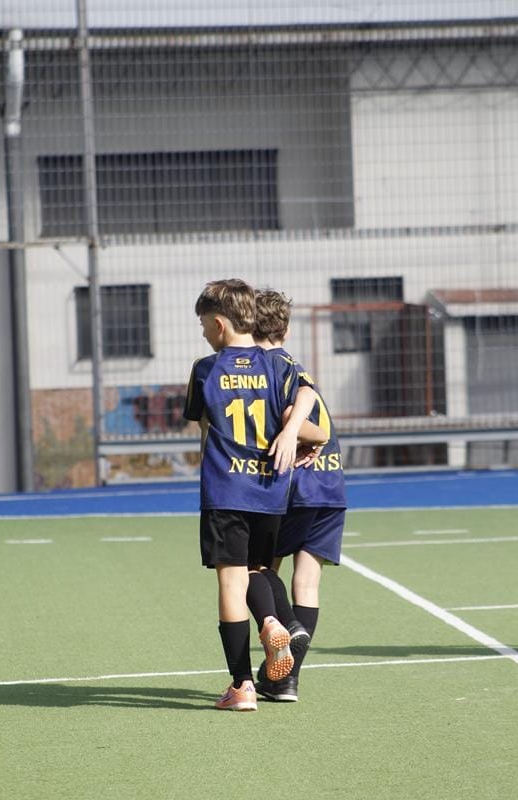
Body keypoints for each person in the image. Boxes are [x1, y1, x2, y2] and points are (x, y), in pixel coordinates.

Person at [183, 279, 327, 711]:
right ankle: (273, 620)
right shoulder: (279, 366)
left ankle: (242, 685)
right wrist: (297, 433)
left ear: (220, 324)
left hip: (226, 489)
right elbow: (308, 392)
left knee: (231, 582)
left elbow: (203, 429)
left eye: (205, 325)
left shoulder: (205, 369)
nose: (204, 333)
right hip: (269, 489)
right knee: (260, 569)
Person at [252, 288, 347, 702]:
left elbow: (294, 415)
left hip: (295, 485)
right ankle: (285, 681)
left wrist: (299, 434)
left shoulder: (264, 369)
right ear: (286, 330)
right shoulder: (298, 367)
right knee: (306, 582)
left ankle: (287, 628)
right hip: (332, 484)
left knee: (257, 569)